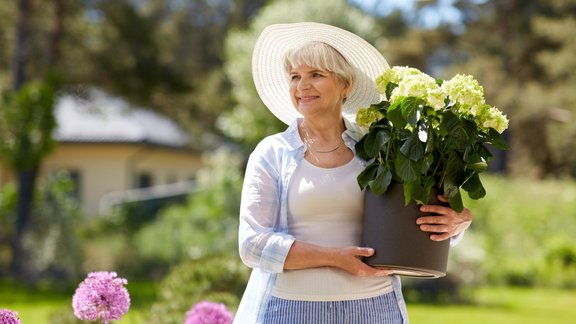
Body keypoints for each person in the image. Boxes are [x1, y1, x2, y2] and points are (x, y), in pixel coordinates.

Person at [234, 22, 473, 324]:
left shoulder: (381, 147)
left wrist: (458, 221)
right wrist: (336, 258)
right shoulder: (272, 153)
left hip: (375, 308)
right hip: (290, 309)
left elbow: (415, 222)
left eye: (316, 75)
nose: (302, 86)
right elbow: (252, 245)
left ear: (345, 85)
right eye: (295, 76)